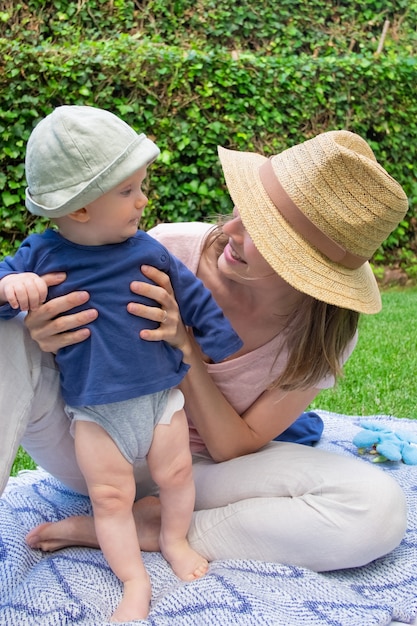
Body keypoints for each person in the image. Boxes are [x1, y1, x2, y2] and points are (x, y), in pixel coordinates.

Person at [0, 129, 409, 586]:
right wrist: (38, 333)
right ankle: (130, 515)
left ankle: (146, 529)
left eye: (263, 231)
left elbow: (235, 447)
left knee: (378, 509)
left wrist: (185, 347)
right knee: (6, 330)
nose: (230, 230)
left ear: (308, 268)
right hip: (96, 442)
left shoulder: (323, 334)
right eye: (242, 210)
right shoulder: (169, 249)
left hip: (204, 473)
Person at [0, 105, 246, 622]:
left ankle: (174, 540)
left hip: (161, 399)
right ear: (82, 208)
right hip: (96, 414)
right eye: (129, 191)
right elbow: (5, 301)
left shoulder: (149, 251)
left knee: (178, 475)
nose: (144, 200)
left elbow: (193, 298)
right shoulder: (39, 255)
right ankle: (133, 581)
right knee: (110, 498)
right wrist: (10, 289)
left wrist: (220, 342)